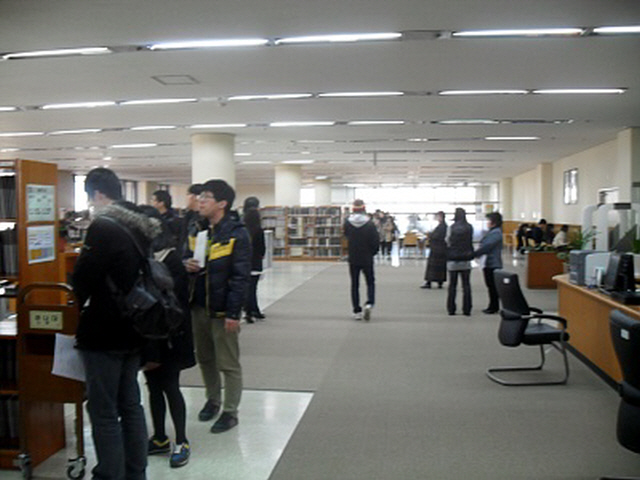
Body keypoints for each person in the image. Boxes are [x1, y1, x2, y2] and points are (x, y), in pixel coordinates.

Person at [72, 168, 149, 480]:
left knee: (103, 410)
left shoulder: (103, 226)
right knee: (130, 404)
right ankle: (136, 472)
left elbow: (83, 278)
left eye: (90, 198)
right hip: (135, 325)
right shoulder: (140, 225)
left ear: (97, 194)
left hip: (104, 330)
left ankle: (109, 475)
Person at [184, 179, 251, 433]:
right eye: (199, 197)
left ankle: (230, 411)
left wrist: (234, 313)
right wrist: (185, 264)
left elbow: (240, 277)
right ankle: (212, 400)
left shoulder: (237, 233)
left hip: (222, 309)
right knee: (205, 358)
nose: (200, 201)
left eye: (206, 197)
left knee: (228, 362)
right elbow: (183, 256)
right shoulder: (196, 228)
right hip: (198, 305)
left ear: (222, 203)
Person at [138, 205, 195, 469]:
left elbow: (176, 302)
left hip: (171, 334)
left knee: (170, 385)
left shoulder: (170, 259)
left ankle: (181, 440)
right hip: (150, 335)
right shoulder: (142, 255)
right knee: (153, 386)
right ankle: (160, 437)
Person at [343, 199, 380, 321]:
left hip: (353, 257)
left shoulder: (347, 223)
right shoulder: (370, 224)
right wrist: (372, 253)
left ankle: (357, 311)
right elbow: (375, 241)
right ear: (364, 209)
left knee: (355, 284)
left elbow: (346, 236)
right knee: (370, 282)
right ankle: (369, 303)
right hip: (367, 257)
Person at [473, 212, 503, 314]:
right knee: (491, 286)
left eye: (488, 221)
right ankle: (493, 305)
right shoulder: (493, 232)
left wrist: (475, 254)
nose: (487, 223)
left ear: (494, 222)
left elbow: (487, 246)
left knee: (492, 286)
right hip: (488, 262)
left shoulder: (496, 233)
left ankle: (493, 306)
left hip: (492, 263)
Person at [446, 207, 474, 316]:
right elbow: (470, 241)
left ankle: (451, 309)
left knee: (452, 285)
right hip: (466, 259)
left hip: (453, 260)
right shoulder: (469, 227)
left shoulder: (451, 227)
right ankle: (467, 309)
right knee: (466, 285)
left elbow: (447, 241)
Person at [242, 199, 266, 322]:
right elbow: (262, 248)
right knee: (253, 288)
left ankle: (250, 310)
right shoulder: (259, 230)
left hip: (244, 262)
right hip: (255, 263)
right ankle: (252, 310)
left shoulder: (242, 229)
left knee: (247, 288)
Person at [421, 211, 447, 289]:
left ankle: (429, 281)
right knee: (440, 267)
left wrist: (430, 235)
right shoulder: (443, 226)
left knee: (432, 266)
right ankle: (439, 282)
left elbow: (437, 236)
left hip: (437, 249)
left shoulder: (442, 227)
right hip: (441, 249)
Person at [179, 183, 204, 255]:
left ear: (194, 197)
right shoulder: (189, 216)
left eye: (187, 194)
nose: (186, 198)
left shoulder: (202, 219)